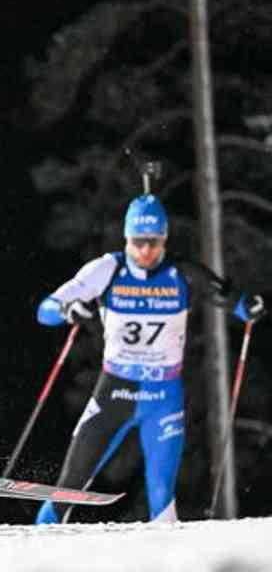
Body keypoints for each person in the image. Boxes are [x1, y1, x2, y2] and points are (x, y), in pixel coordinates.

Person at [32, 193, 265, 524]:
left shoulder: (182, 273)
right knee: (68, 487)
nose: (145, 251)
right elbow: (45, 310)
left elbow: (231, 299)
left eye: (154, 242)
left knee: (162, 499)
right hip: (115, 391)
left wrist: (249, 307)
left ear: (164, 239)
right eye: (138, 241)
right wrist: (68, 309)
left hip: (163, 398)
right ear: (127, 238)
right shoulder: (107, 269)